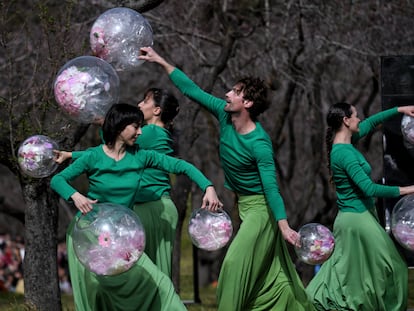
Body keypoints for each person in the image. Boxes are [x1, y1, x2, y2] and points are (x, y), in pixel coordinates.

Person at [139, 47, 315, 311]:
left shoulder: (260, 144)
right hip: (243, 205)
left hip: (261, 211)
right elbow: (192, 90)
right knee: (271, 274)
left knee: (233, 263)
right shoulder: (224, 115)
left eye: (234, 92)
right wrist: (161, 61)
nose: (227, 94)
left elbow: (271, 188)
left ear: (247, 103)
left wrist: (283, 226)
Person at [51, 103, 222, 311]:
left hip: (123, 235)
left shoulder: (141, 156)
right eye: (135, 126)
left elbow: (181, 166)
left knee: (162, 285)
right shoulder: (93, 156)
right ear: (119, 126)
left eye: (141, 126)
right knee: (98, 294)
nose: (140, 132)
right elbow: (58, 180)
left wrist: (209, 187)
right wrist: (76, 196)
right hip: (90, 235)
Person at [57, 89, 181, 278]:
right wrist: (73, 155)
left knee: (142, 272)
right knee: (149, 271)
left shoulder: (150, 133)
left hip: (150, 206)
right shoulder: (157, 133)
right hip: (154, 204)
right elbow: (107, 153)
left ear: (157, 110)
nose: (139, 104)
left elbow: (110, 150)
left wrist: (107, 123)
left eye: (145, 101)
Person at [305, 102, 414, 311]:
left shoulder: (347, 141)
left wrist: (399, 110)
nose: (359, 119)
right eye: (355, 116)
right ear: (346, 121)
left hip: (358, 216)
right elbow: (369, 188)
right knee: (395, 266)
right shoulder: (344, 154)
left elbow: (371, 123)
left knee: (356, 271)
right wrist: (408, 189)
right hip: (356, 219)